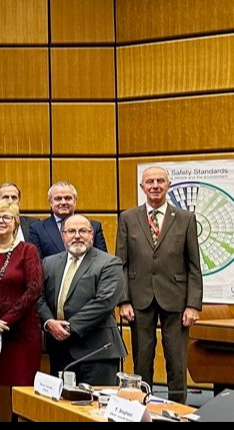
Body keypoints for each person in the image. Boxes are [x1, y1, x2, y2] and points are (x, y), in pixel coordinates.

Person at [117, 166, 202, 403]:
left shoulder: (185, 219)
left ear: (168, 185)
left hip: (176, 300)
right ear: (142, 187)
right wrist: (123, 300)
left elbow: (194, 265)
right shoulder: (128, 217)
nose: (155, 185)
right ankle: (143, 408)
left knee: (177, 360)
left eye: (160, 181)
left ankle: (177, 410)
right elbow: (120, 263)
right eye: (150, 181)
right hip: (139, 300)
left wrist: (193, 305)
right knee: (142, 359)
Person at [0, 199, 43, 422]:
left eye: (7, 217)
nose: (0, 221)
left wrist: (6, 320)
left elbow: (34, 289)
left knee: (21, 393)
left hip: (22, 333)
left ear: (15, 223)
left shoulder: (28, 251)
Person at [38, 214, 127, 387]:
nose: (77, 235)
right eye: (71, 231)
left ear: (91, 235)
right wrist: (49, 322)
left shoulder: (109, 262)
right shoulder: (49, 262)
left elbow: (105, 302)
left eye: (83, 231)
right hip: (60, 351)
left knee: (94, 408)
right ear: (63, 235)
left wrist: (68, 327)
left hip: (96, 352)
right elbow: (38, 297)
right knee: (63, 408)